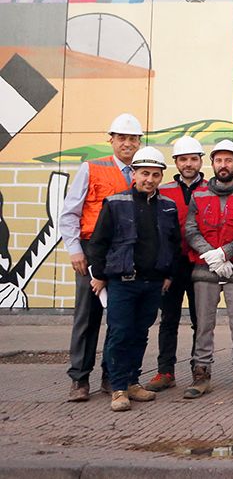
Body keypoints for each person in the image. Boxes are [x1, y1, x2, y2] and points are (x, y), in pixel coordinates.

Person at [86, 147, 181, 412]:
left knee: (140, 334)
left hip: (153, 284)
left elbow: (174, 244)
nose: (149, 179)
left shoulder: (167, 207)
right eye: (144, 173)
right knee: (120, 334)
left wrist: (168, 275)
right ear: (134, 174)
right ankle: (117, 388)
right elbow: (98, 243)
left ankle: (132, 382)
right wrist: (100, 275)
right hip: (123, 282)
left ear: (161, 177)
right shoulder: (115, 203)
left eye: (154, 174)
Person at [60, 112, 143, 402]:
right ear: (112, 140)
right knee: (87, 317)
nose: (127, 144)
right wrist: (74, 250)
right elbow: (70, 212)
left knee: (119, 318)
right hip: (90, 251)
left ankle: (112, 377)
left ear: (139, 142)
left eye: (133, 139)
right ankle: (79, 380)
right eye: (122, 138)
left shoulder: (143, 172)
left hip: (124, 255)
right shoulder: (92, 168)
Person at [183, 139, 233, 399]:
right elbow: (191, 229)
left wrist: (226, 252)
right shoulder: (199, 195)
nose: (223, 165)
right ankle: (201, 375)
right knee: (203, 325)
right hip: (205, 271)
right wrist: (211, 255)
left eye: (229, 160)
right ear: (212, 163)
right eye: (219, 160)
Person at [144, 136, 206, 392]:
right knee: (168, 319)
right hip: (171, 266)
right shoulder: (164, 190)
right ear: (176, 163)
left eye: (193, 159)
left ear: (201, 161)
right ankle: (165, 371)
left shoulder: (211, 190)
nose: (188, 164)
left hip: (201, 264)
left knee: (200, 321)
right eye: (183, 159)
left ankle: (199, 370)